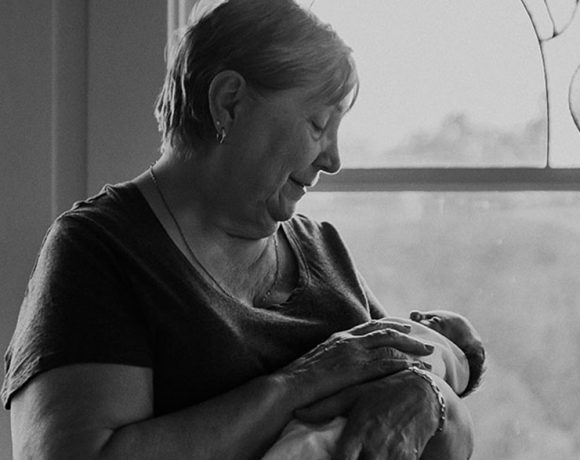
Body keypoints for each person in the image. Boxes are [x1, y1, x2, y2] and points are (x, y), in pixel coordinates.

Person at [2, 0, 475, 458]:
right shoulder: (99, 250)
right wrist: (303, 381)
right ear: (229, 103)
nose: (333, 159)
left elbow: (431, 416)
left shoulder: (325, 249)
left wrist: (427, 396)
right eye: (318, 124)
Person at [262, 309, 486, 459]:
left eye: (434, 321)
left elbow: (460, 441)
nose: (415, 314)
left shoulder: (430, 351)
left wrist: (428, 392)